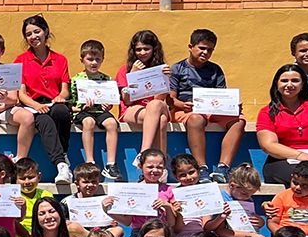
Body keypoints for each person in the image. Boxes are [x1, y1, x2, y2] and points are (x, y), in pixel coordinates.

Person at [171, 29, 243, 183]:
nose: (205, 53)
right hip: (185, 110)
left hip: (211, 109)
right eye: (201, 48)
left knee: (239, 120)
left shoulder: (215, 70)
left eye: (209, 50)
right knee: (196, 119)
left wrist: (232, 105)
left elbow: (221, 95)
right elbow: (171, 99)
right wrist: (183, 105)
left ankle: (223, 167)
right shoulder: (177, 68)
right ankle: (202, 168)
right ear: (191, 47)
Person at [14, 14, 73, 186]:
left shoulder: (60, 59)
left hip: (54, 102)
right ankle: (61, 165)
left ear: (45, 31)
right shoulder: (21, 60)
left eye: (37, 31)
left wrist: (60, 97)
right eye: (29, 34)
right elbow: (21, 94)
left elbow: (65, 90)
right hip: (33, 105)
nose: (33, 37)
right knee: (45, 121)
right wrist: (37, 105)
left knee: (61, 112)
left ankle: (63, 154)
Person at [256, 63, 308, 186]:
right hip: (284, 159)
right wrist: (300, 155)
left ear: (303, 84)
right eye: (284, 81)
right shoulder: (267, 112)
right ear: (277, 84)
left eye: (295, 80)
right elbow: (268, 145)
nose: (289, 85)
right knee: (304, 177)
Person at [117, 30, 173, 169]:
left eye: (146, 49)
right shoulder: (125, 69)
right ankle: (161, 165)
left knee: (155, 106)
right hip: (133, 109)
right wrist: (133, 75)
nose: (142, 53)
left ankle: (144, 154)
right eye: (138, 49)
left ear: (154, 49)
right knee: (161, 120)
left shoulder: (161, 69)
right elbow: (127, 101)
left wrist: (165, 79)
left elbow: (159, 99)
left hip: (155, 106)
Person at [71, 40, 122, 179]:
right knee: (89, 123)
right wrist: (82, 106)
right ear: (82, 59)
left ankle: (111, 164)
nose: (94, 62)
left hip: (100, 112)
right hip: (83, 112)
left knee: (111, 123)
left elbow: (110, 100)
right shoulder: (76, 80)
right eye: (90, 59)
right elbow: (72, 105)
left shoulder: (106, 79)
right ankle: (90, 161)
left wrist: (108, 105)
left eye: (97, 59)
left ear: (102, 60)